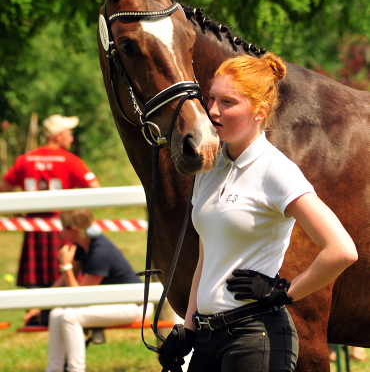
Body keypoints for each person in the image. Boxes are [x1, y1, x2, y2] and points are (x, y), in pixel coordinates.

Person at [158, 52, 358, 372]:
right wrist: (189, 329)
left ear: (259, 111)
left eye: (227, 102)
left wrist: (283, 294)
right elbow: (207, 257)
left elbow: (342, 250)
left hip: (255, 337)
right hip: (209, 339)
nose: (212, 111)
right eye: (211, 99)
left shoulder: (276, 171)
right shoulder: (208, 168)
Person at [24, 208, 153, 372]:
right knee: (56, 314)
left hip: (136, 307)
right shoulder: (82, 246)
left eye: (63, 227)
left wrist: (65, 266)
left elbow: (81, 298)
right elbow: (65, 281)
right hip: (115, 304)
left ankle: (76, 369)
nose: (61, 233)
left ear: (73, 229)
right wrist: (40, 306)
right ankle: (54, 369)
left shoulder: (99, 252)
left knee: (70, 317)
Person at [0, 114, 100, 288]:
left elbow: (5, 188)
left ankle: (35, 313)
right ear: (57, 136)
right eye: (68, 133)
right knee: (64, 274)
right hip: (62, 227)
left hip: (33, 228)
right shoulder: (69, 160)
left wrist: (18, 210)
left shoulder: (25, 160)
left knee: (35, 283)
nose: (71, 137)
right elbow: (95, 188)